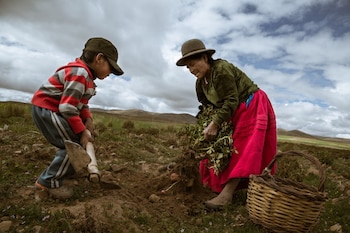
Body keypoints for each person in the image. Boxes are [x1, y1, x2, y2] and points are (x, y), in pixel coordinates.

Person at [176, 39, 277, 210]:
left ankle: (227, 195)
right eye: (188, 67)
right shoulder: (200, 83)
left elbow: (231, 100)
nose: (192, 70)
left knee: (240, 147)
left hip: (250, 104)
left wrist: (215, 124)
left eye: (193, 64)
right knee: (216, 146)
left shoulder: (221, 70)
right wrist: (204, 126)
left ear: (205, 58)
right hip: (232, 110)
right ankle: (215, 184)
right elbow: (207, 107)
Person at [31, 37, 124, 199]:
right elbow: (67, 107)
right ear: (99, 58)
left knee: (76, 143)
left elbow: (82, 104)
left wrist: (87, 120)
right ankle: (47, 182)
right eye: (111, 68)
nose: (110, 74)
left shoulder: (87, 78)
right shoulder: (80, 74)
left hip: (53, 110)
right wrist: (82, 131)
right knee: (72, 146)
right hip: (47, 109)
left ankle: (65, 171)